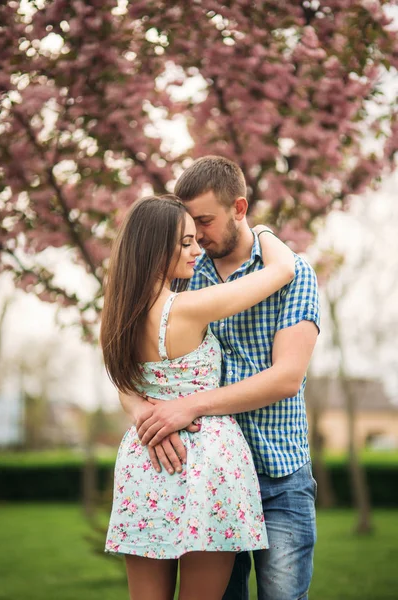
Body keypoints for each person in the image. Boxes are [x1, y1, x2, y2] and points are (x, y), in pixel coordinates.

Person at [126, 156, 320, 600]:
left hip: (277, 473)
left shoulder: (295, 274)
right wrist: (142, 410)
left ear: (239, 207)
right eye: (187, 225)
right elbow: (129, 361)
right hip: (203, 476)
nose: (194, 236)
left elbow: (286, 378)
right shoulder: (183, 276)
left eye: (204, 221)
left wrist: (187, 407)